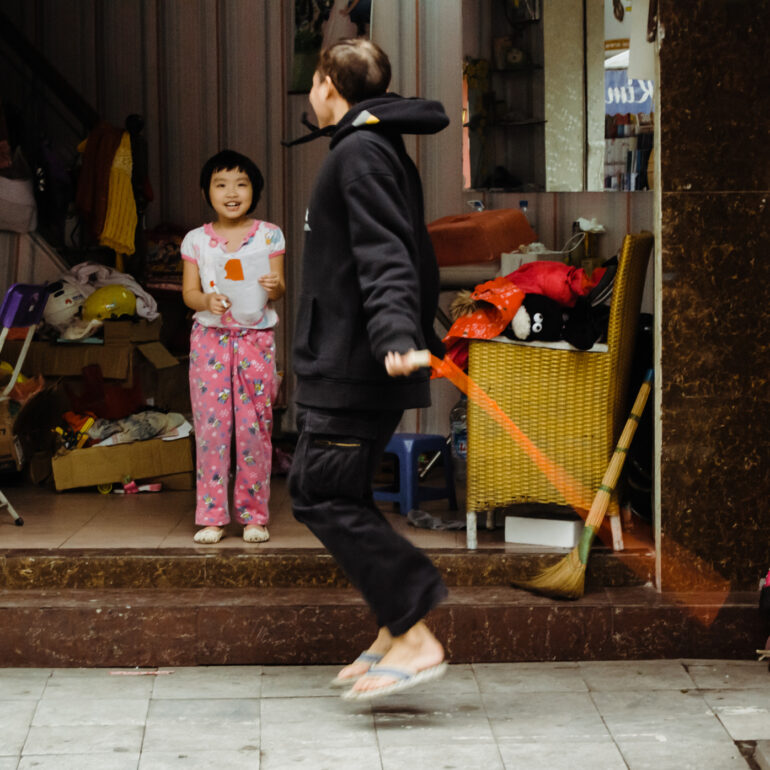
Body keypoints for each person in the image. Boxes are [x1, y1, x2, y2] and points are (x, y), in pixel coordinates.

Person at [288, 38, 449, 700]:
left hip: (355, 365)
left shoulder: (359, 154)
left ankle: (413, 628)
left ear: (328, 83)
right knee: (342, 493)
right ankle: (392, 630)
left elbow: (387, 256)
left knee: (317, 492)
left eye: (312, 82)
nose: (309, 95)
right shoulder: (369, 148)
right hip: (353, 358)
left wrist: (394, 337)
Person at [181, 150, 285, 545]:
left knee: (255, 428)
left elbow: (280, 287)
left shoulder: (270, 234)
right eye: (221, 184)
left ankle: (254, 516)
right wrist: (206, 302)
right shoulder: (195, 240)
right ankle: (211, 516)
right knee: (211, 430)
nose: (231, 192)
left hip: (256, 340)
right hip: (209, 341)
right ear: (207, 191)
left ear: (253, 191)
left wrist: (276, 286)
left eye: (241, 184)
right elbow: (190, 293)